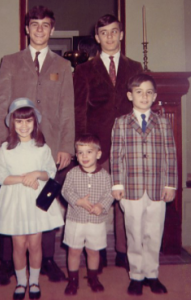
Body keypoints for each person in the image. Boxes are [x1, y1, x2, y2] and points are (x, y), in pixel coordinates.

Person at [0, 6, 74, 285]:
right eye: (34, 24)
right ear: (27, 29)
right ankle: (7, 263)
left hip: (48, 147)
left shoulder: (62, 66)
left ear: (52, 30)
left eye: (45, 25)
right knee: (13, 202)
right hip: (15, 142)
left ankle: (47, 260)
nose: (40, 29)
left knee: (43, 201)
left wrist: (66, 146)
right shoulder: (10, 61)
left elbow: (67, 109)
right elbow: (0, 103)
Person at [73, 14, 143, 270]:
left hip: (129, 146)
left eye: (114, 31)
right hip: (97, 145)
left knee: (126, 202)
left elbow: (142, 106)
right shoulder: (83, 70)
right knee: (97, 200)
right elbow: (79, 109)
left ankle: (125, 252)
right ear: (97, 37)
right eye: (104, 33)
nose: (110, 37)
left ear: (121, 34)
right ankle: (96, 250)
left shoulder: (135, 68)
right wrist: (82, 147)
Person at [110, 73, 178, 296]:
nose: (144, 96)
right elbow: (116, 156)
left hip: (158, 187)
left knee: (153, 233)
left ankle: (152, 274)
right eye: (139, 92)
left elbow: (171, 154)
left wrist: (171, 184)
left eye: (149, 92)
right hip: (131, 188)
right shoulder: (121, 123)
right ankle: (136, 275)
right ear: (130, 95)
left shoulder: (163, 122)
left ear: (155, 96)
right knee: (134, 234)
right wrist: (117, 184)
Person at [0, 98, 64, 299]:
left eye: (28, 121)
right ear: (12, 123)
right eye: (19, 121)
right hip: (14, 202)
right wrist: (24, 178)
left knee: (34, 244)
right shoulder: (5, 149)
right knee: (19, 245)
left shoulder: (42, 148)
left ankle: (34, 281)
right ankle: (21, 282)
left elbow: (49, 171)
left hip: (35, 201)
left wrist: (36, 174)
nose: (24, 126)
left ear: (35, 123)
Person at [62, 134, 113, 295]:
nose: (84, 156)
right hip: (75, 219)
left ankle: (93, 277)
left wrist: (101, 205)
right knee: (74, 250)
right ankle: (73, 280)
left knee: (93, 250)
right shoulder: (72, 174)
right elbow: (66, 191)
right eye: (80, 152)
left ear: (98, 154)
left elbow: (109, 193)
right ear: (76, 155)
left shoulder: (105, 175)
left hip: (96, 221)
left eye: (89, 152)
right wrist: (78, 201)